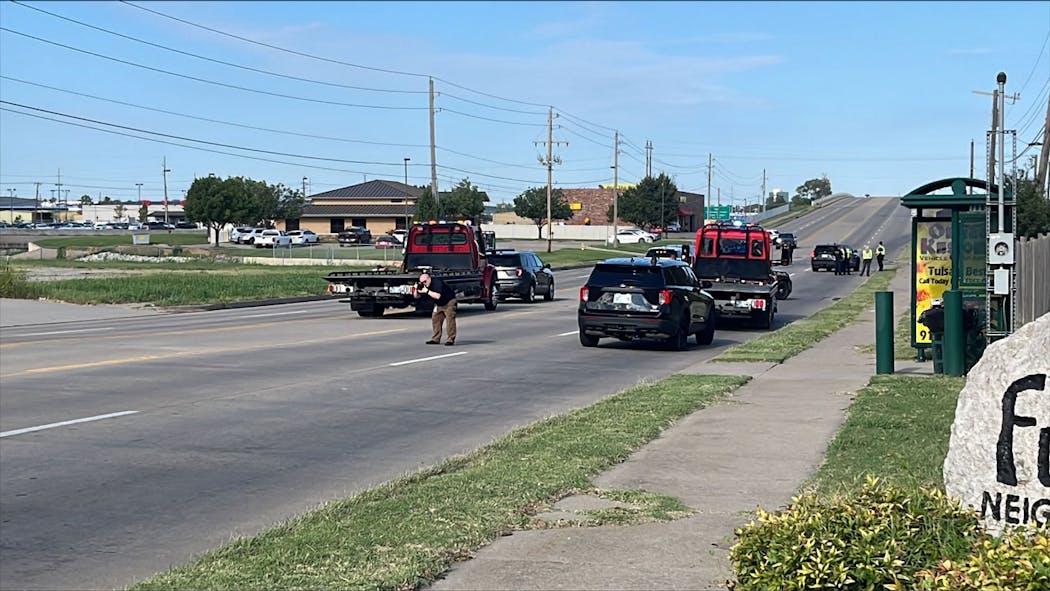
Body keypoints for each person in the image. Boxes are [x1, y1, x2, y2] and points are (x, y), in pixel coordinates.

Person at [416, 272, 457, 346]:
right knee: (435, 319)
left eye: (425, 281)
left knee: (450, 319)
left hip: (449, 301)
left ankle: (450, 339)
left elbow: (437, 296)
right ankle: (436, 338)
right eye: (422, 282)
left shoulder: (437, 283)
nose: (424, 284)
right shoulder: (425, 286)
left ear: (429, 279)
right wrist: (416, 290)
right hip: (439, 304)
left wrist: (427, 291)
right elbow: (416, 296)